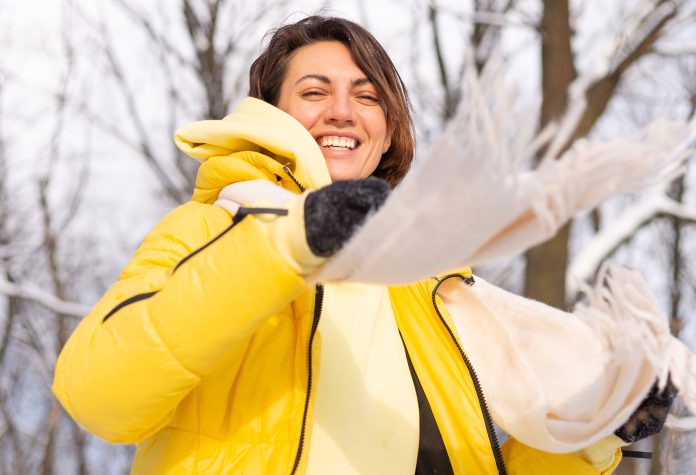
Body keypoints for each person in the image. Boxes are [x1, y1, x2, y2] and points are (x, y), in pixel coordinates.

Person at [53, 15, 673, 474]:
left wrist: (599, 427)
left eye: (368, 96)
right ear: (271, 114)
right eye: (315, 92)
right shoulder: (212, 229)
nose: (343, 112)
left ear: (389, 129)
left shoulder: (431, 287)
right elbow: (100, 396)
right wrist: (291, 244)